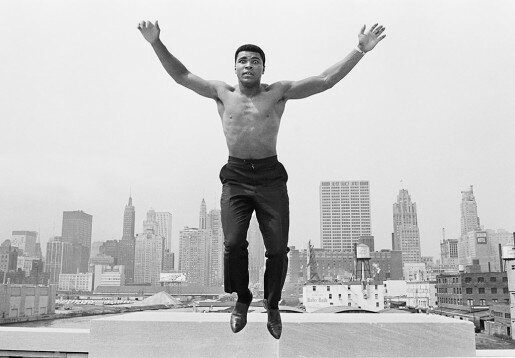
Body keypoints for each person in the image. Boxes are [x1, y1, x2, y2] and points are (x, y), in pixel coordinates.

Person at [138, 20, 386, 339]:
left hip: (270, 178)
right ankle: (242, 299)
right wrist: (156, 42)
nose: (249, 65)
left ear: (263, 69)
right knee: (232, 243)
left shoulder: (277, 93)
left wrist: (359, 51)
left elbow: (325, 80)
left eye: (255, 61)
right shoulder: (221, 93)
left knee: (278, 250)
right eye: (243, 60)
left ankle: (272, 304)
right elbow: (182, 75)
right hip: (236, 177)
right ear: (235, 67)